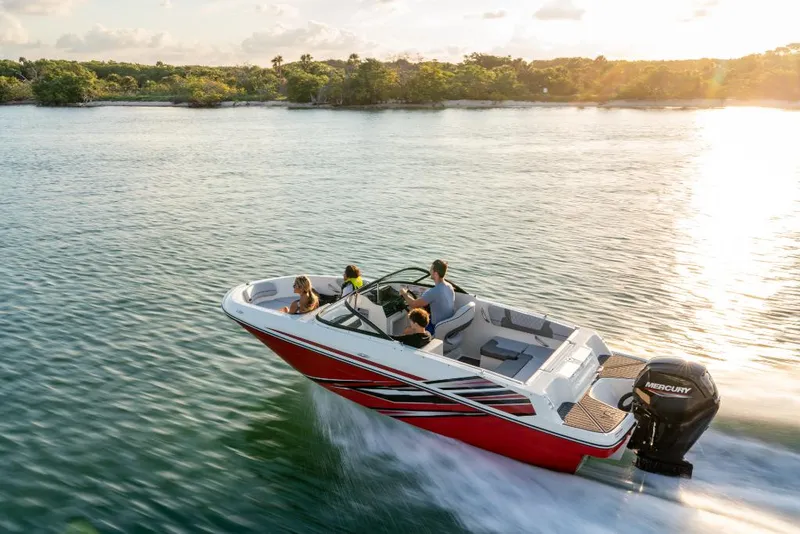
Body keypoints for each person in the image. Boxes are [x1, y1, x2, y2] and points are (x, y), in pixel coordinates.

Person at [400, 259, 455, 335]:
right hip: (447, 325)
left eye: (431, 269)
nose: (430, 271)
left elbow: (413, 304)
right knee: (422, 311)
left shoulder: (434, 291)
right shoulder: (449, 286)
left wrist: (404, 294)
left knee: (406, 331)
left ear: (435, 273)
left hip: (436, 327)